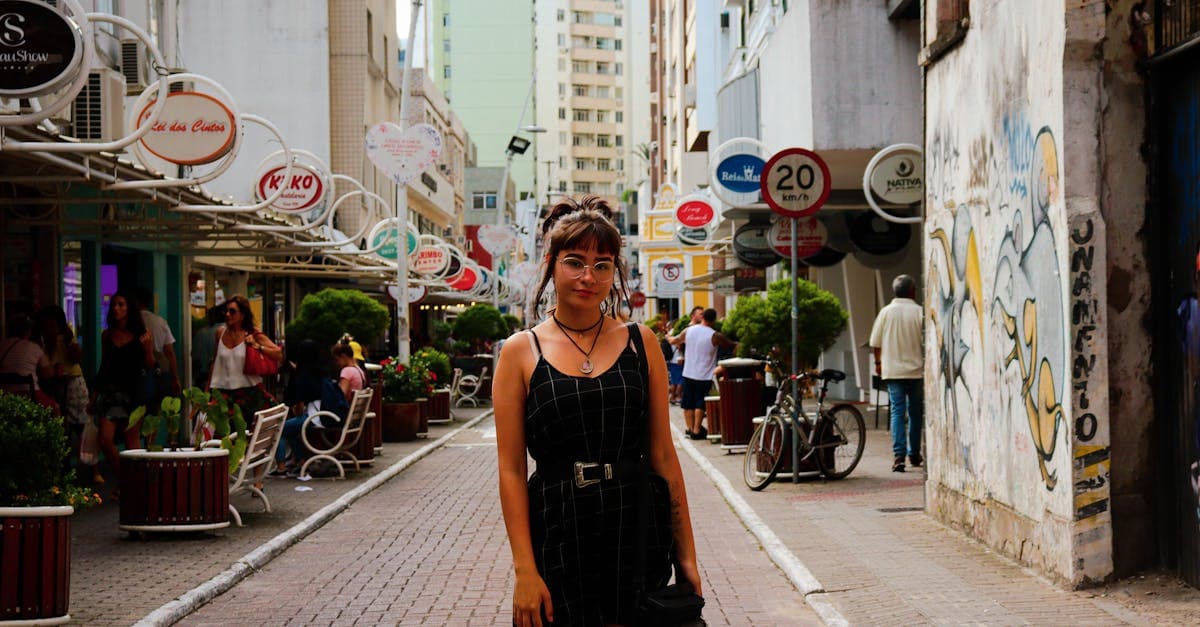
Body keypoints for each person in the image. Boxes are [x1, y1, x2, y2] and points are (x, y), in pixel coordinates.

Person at [495, 196, 701, 626]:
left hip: (636, 523)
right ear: (552, 263)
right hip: (557, 526)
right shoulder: (519, 351)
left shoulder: (641, 342)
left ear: (614, 272)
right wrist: (524, 571)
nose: (588, 277)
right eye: (575, 261)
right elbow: (512, 469)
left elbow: (663, 454)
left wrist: (687, 558)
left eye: (602, 264)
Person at [88, 292, 155, 492]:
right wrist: (94, 397)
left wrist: (148, 349)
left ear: (129, 308)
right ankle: (126, 480)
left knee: (131, 440)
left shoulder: (141, 335)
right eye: (114, 305)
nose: (116, 308)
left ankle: (131, 486)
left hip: (134, 392)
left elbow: (150, 365)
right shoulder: (107, 336)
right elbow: (104, 368)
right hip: (111, 392)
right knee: (105, 440)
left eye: (121, 305)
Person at [869, 274, 925, 473]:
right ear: (912, 291)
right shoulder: (920, 312)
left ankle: (899, 456)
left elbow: (875, 342)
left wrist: (878, 363)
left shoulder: (885, 312)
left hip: (892, 372)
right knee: (916, 413)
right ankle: (914, 453)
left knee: (897, 412)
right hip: (916, 372)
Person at [207, 295, 281, 430]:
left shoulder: (252, 334)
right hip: (223, 394)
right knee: (224, 436)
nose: (228, 314)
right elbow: (215, 361)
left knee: (254, 434)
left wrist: (258, 346)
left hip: (248, 393)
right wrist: (208, 390)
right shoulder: (220, 333)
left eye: (232, 311)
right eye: (226, 311)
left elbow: (278, 353)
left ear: (242, 315)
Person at [670, 308, 736, 440]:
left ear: (703, 317)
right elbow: (730, 345)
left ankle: (689, 429)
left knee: (688, 402)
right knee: (700, 403)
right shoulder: (714, 335)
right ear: (714, 320)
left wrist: (668, 337)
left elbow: (675, 340)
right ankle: (696, 429)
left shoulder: (689, 330)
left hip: (688, 372)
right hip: (705, 374)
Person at [274, 340, 327, 474]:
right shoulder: (322, 371)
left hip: (313, 418)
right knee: (292, 430)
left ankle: (281, 467)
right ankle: (301, 460)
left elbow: (300, 404)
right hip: (325, 415)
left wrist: (297, 415)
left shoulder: (303, 374)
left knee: (280, 429)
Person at [0, 314, 59, 414]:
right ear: (27, 331)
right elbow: (48, 374)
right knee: (55, 408)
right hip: (29, 394)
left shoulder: (1, 345)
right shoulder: (33, 347)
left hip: (4, 395)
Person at [134, 287, 181, 401]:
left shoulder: (131, 322)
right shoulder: (160, 322)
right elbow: (169, 352)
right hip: (160, 373)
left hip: (137, 373)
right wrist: (175, 378)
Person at [192, 305, 224, 387]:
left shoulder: (202, 333)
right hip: (224, 378)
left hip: (204, 377)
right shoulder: (231, 332)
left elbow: (195, 356)